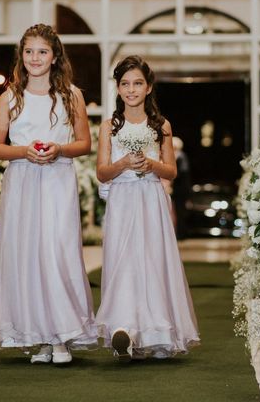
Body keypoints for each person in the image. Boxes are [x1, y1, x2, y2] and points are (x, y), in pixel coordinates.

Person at [0, 23, 97, 364]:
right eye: (29, 51)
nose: (35, 58)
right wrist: (23, 152)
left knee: (56, 252)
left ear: (54, 57)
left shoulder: (71, 95)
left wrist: (58, 149)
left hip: (56, 180)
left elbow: (85, 143)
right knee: (28, 256)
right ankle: (42, 338)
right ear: (21, 56)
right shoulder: (10, 96)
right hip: (22, 182)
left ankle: (62, 335)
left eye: (42, 52)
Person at [94, 55, 200, 360]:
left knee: (153, 260)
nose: (131, 90)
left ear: (148, 87)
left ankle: (158, 333)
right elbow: (102, 172)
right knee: (123, 261)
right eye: (125, 84)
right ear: (117, 88)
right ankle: (124, 330)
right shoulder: (109, 126)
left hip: (151, 198)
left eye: (137, 83)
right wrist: (124, 162)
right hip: (123, 199)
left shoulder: (161, 125)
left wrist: (151, 164)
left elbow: (171, 172)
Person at [172, 136, 192, 239]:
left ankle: (181, 234)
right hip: (179, 189)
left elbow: (180, 173)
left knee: (180, 212)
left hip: (181, 189)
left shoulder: (180, 157)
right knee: (178, 211)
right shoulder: (179, 157)